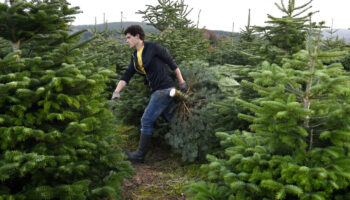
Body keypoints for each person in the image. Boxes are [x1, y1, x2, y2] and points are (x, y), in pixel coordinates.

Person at [111, 25, 186, 163]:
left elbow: (172, 63)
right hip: (160, 91)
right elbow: (126, 76)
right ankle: (187, 145)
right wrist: (116, 92)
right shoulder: (135, 57)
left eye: (128, 38)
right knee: (173, 119)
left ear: (137, 36)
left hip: (164, 89)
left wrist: (181, 82)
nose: (126, 41)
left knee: (146, 119)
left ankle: (140, 155)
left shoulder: (153, 47)